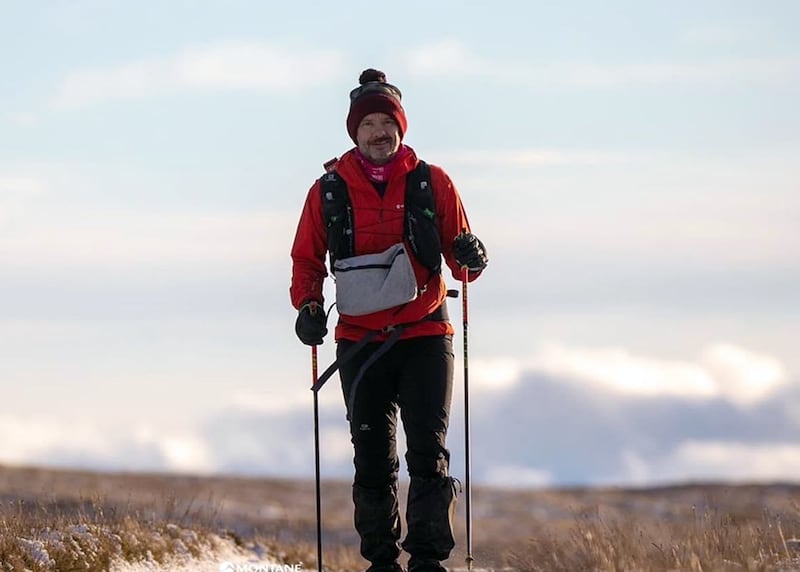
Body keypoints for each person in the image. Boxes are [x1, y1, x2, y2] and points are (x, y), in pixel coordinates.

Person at [290, 68, 488, 572]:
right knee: (373, 459)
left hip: (426, 335)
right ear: (354, 132)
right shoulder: (328, 191)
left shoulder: (432, 182)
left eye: (388, 122)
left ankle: (427, 562)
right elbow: (307, 260)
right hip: (359, 342)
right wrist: (308, 308)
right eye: (369, 123)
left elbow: (463, 265)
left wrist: (473, 256)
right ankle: (381, 563)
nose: (380, 131)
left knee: (428, 452)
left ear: (401, 127)